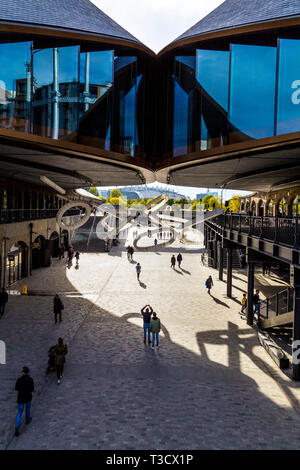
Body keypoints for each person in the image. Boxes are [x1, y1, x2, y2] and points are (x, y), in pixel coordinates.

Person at [14, 366, 34, 436]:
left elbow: (16, 388)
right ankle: (27, 419)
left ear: (23, 372)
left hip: (21, 398)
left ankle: (17, 427)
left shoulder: (19, 380)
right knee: (28, 408)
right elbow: (32, 389)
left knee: (19, 413)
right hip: (28, 397)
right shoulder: (30, 379)